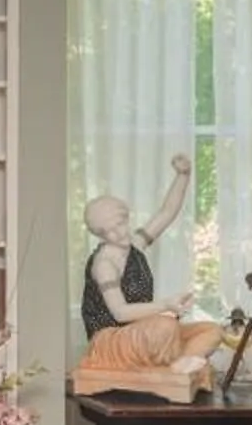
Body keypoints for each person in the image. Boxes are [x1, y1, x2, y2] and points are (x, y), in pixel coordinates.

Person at [74, 156, 224, 401]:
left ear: (125, 218)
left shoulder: (135, 244)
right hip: (110, 340)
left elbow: (167, 213)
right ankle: (177, 363)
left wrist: (183, 176)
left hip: (140, 333)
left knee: (211, 330)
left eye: (119, 225)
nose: (117, 234)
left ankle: (181, 367)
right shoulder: (104, 264)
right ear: (98, 234)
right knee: (164, 326)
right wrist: (166, 306)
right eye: (107, 231)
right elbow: (120, 314)